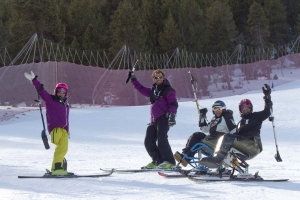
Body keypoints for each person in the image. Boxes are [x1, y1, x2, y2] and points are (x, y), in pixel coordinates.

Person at [200, 84, 272, 168]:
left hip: (252, 145)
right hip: (244, 146)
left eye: (247, 107)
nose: (245, 109)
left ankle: (218, 159)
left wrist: (267, 96)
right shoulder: (240, 123)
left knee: (227, 137)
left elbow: (267, 111)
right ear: (240, 110)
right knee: (226, 140)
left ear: (251, 108)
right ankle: (222, 166)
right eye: (242, 107)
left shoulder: (256, 116)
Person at [130, 69, 178, 169]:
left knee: (161, 139)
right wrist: (134, 80)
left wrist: (172, 115)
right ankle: (157, 160)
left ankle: (169, 161)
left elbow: (173, 103)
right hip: (154, 120)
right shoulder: (153, 90)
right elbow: (142, 89)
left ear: (163, 77)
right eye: (156, 77)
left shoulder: (168, 90)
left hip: (163, 118)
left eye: (160, 77)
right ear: (153, 78)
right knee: (148, 141)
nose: (159, 79)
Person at [24, 71, 70, 175]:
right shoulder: (51, 100)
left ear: (66, 93)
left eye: (63, 91)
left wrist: (67, 130)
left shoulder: (66, 105)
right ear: (56, 91)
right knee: (61, 149)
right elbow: (41, 91)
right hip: (56, 129)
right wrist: (34, 80)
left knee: (64, 149)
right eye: (59, 91)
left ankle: (58, 167)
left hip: (64, 131)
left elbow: (66, 119)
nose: (61, 93)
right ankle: (57, 168)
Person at [174, 100, 236, 167]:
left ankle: (186, 157)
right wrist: (202, 116)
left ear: (223, 109)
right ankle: (185, 156)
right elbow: (205, 129)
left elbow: (234, 131)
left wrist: (231, 146)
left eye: (219, 108)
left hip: (220, 141)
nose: (217, 110)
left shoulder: (227, 117)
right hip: (212, 139)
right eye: (215, 108)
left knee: (197, 137)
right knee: (196, 136)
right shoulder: (214, 119)